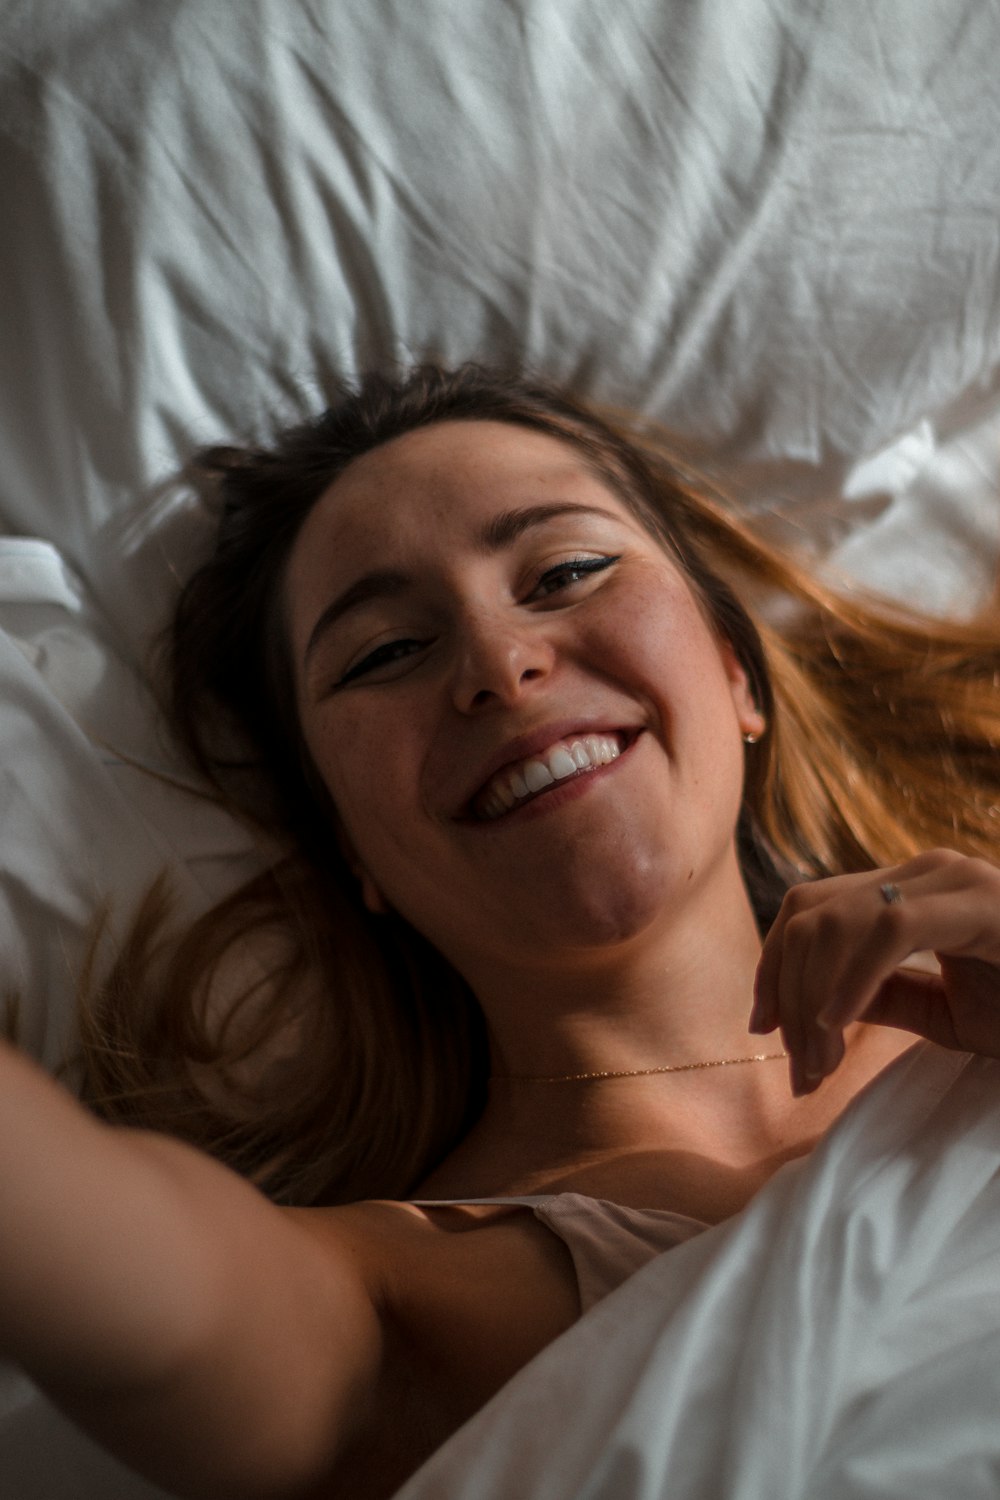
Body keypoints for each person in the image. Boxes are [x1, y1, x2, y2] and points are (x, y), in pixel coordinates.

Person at [2, 363, 1000, 1499]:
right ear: (350, 855)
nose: (497, 662)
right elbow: (139, 1290)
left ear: (734, 672)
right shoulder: (408, 1302)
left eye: (567, 572)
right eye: (384, 652)